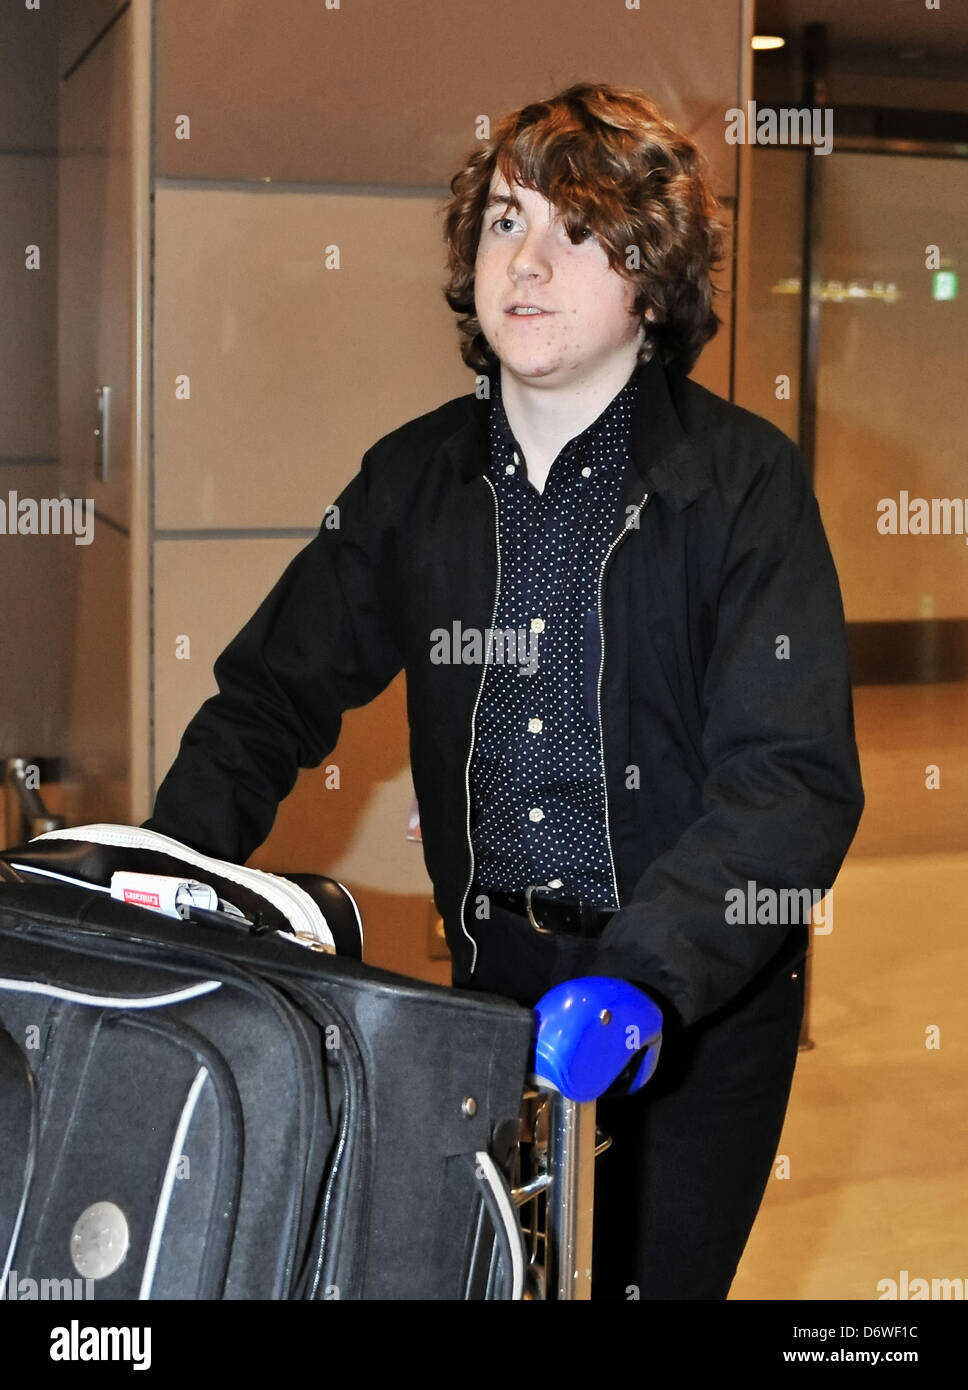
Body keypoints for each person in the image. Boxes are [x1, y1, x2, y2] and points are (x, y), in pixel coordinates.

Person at [145, 82, 864, 1300]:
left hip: (685, 1001)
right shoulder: (413, 477)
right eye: (503, 222)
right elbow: (270, 693)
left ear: (650, 275)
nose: (526, 261)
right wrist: (169, 863)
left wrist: (644, 974)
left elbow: (788, 781)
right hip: (491, 988)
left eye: (577, 232)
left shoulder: (743, 486)